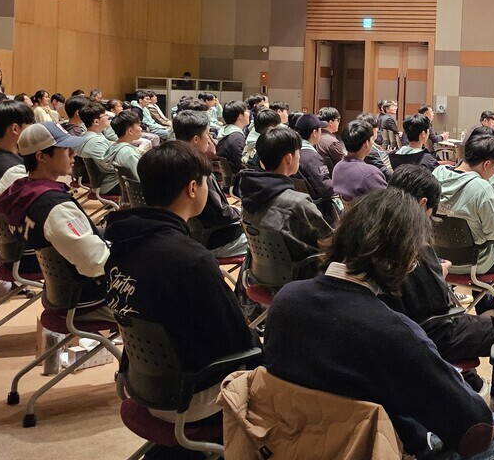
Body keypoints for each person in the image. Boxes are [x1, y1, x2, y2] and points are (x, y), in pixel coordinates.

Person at [264, 188, 494, 460]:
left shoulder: (285, 301)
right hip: (378, 448)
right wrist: (450, 380)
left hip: (297, 442)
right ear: (405, 259)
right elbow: (474, 432)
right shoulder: (395, 334)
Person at [105, 141, 259, 423]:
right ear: (192, 188)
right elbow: (237, 343)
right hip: (190, 396)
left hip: (141, 384)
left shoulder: (121, 242)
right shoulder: (190, 259)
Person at [383, 165, 494, 390]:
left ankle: (470, 383)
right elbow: (438, 305)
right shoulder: (415, 242)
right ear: (423, 203)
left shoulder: (371, 229)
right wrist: (439, 274)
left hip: (387, 330)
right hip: (425, 332)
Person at [0, 122, 109, 316]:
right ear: (42, 157)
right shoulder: (54, 207)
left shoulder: (21, 190)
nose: (73, 155)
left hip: (61, 287)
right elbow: (96, 263)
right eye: (66, 150)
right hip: (90, 296)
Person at [432, 130, 494, 315]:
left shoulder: (437, 174)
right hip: (475, 260)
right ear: (487, 164)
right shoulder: (481, 188)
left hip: (440, 257)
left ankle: (484, 309)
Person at [239, 126, 331, 285]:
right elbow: (328, 239)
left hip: (259, 276)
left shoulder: (247, 194)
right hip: (300, 279)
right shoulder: (296, 203)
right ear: (289, 158)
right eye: (298, 152)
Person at [173, 109, 246, 259]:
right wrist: (240, 212)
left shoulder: (171, 161)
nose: (211, 140)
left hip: (188, 236)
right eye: (208, 135)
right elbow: (220, 214)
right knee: (268, 242)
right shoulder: (200, 170)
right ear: (196, 139)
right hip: (216, 240)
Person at [294, 113, 339, 227]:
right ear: (314, 133)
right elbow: (325, 188)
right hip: (318, 211)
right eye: (320, 130)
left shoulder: (294, 152)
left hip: (300, 207)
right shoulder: (312, 157)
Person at [331, 119, 388, 201]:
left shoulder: (338, 167)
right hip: (367, 209)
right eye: (372, 139)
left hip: (345, 209)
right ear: (366, 144)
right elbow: (386, 201)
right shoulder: (370, 173)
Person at [76, 101, 120, 197]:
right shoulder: (95, 142)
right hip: (110, 184)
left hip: (110, 180)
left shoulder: (88, 135)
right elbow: (110, 166)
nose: (108, 117)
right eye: (105, 115)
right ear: (96, 122)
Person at [105, 110, 145, 180]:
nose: (141, 128)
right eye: (139, 125)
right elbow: (141, 179)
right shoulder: (129, 154)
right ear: (130, 131)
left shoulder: (113, 146)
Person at [216, 100, 250, 175]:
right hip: (237, 177)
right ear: (240, 116)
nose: (249, 113)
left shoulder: (226, 131)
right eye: (246, 111)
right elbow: (241, 163)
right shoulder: (236, 137)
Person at [356, 111, 392, 179]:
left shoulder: (369, 144)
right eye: (376, 127)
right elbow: (384, 172)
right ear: (370, 129)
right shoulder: (369, 150)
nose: (377, 130)